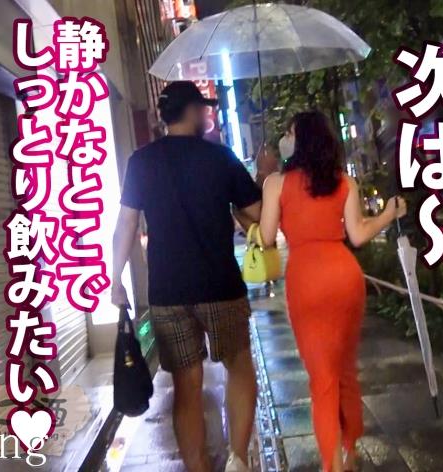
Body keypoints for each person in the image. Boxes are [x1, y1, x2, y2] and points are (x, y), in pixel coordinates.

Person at [111, 81, 261, 472]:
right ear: (192, 111)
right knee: (239, 366)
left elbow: (126, 224)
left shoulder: (141, 162)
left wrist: (115, 278)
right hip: (221, 286)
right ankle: (238, 459)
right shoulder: (220, 157)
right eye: (203, 108)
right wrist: (256, 181)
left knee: (186, 384)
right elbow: (258, 214)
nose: (207, 115)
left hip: (168, 292)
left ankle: (198, 467)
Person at [258, 111, 407, 472]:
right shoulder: (344, 182)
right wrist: (388, 215)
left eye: (289, 133)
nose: (285, 139)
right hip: (345, 276)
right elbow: (358, 235)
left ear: (299, 140)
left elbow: (266, 237)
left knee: (322, 380)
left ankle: (332, 465)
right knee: (344, 369)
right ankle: (350, 451)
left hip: (306, 281)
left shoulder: (276, 184)